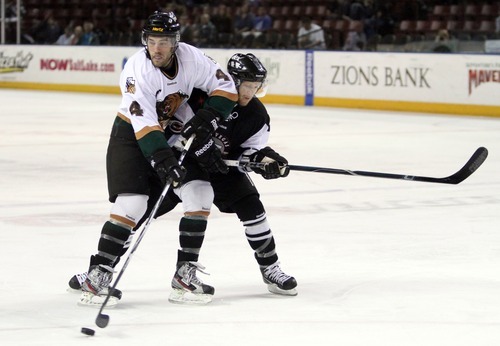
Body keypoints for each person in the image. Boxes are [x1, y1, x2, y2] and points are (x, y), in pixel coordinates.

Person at [69, 53, 297, 304]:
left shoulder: (257, 115)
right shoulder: (200, 97)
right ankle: (99, 269)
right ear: (232, 81)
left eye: (256, 87)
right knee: (138, 213)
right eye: (247, 86)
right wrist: (197, 148)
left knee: (253, 209)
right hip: (184, 164)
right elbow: (172, 131)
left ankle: (270, 268)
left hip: (223, 169)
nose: (250, 93)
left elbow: (252, 149)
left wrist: (267, 161)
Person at [70, 10, 238, 307]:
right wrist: (163, 160)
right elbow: (145, 123)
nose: (157, 48)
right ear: (144, 40)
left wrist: (207, 118)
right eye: (152, 40)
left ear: (176, 42)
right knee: (134, 203)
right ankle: (98, 273)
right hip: (132, 137)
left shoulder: (192, 58)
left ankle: (185, 275)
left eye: (164, 41)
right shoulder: (136, 71)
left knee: (200, 192)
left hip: (172, 135)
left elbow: (225, 88)